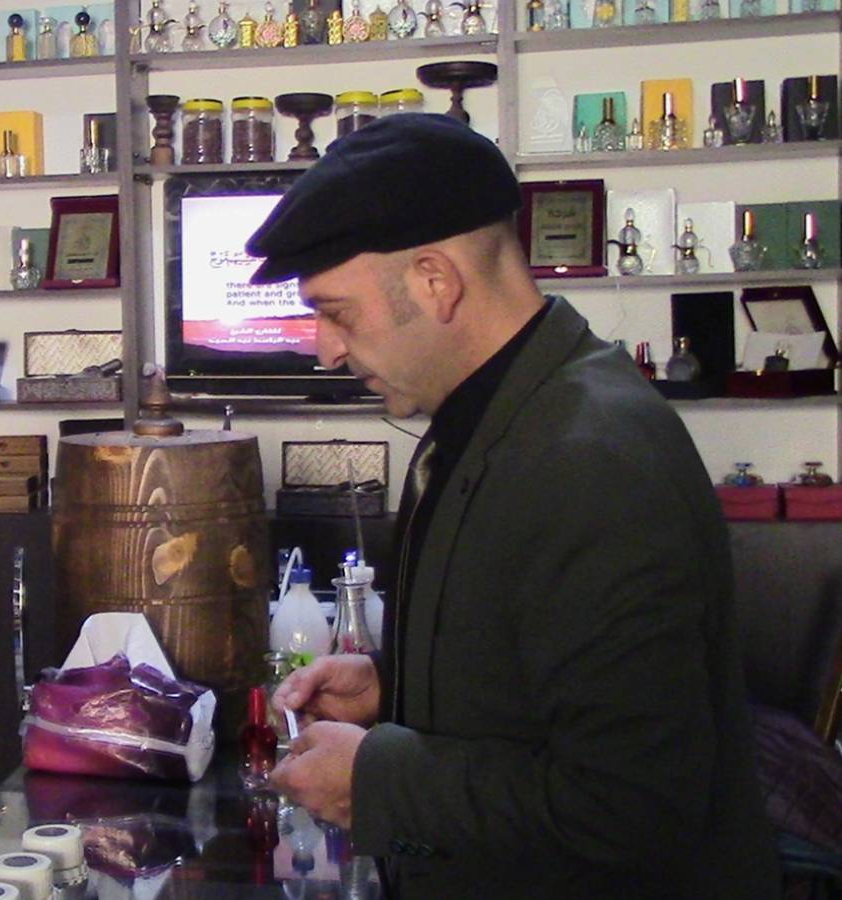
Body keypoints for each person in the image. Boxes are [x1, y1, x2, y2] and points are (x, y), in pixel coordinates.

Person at [253, 115, 780, 898]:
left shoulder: (591, 460)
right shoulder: (492, 417)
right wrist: (390, 687)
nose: (325, 348)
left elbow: (630, 807)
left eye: (338, 313)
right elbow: (531, 673)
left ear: (436, 281)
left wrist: (380, 781)